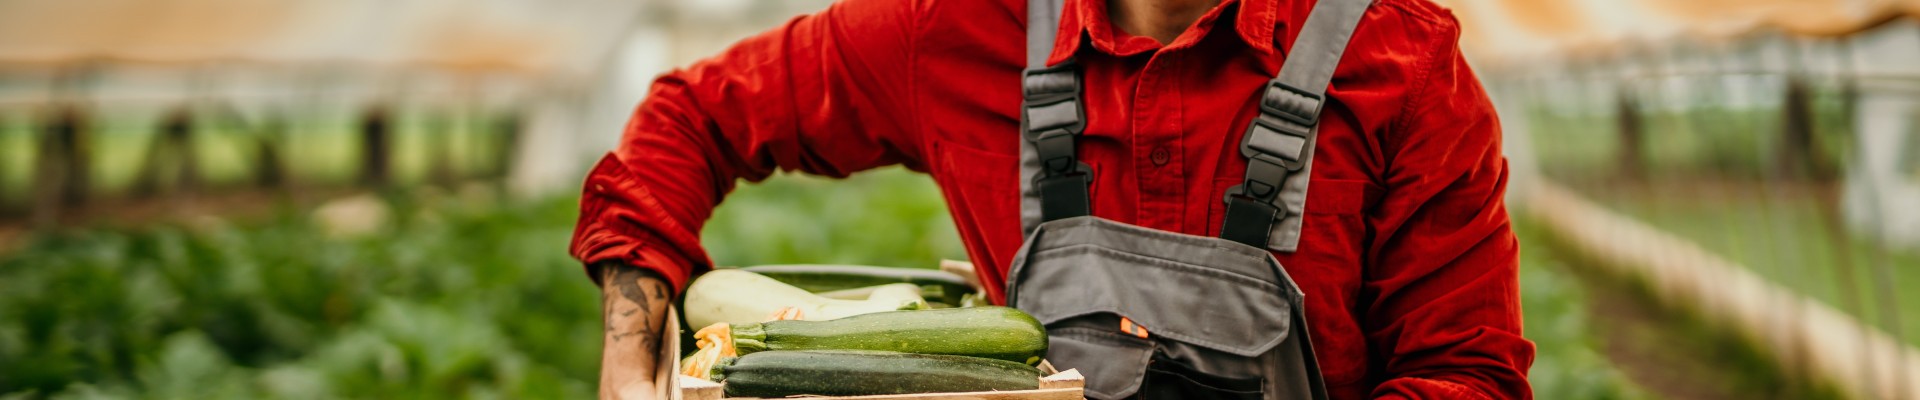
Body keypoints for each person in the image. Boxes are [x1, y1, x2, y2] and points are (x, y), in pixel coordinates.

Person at [571, 0, 1535, 398]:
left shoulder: (1399, 68)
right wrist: (631, 335)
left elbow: (1468, 372)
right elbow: (695, 116)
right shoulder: (955, 29)